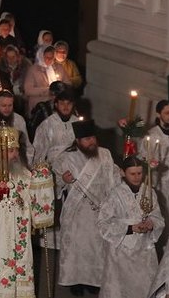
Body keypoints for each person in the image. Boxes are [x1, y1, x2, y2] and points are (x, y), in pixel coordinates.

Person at [0, 126, 54, 297]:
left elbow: (36, 194)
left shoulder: (23, 172)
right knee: (1, 266)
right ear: (1, 152)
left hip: (21, 231)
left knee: (22, 265)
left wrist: (43, 177)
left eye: (16, 150)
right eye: (11, 151)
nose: (15, 155)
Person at [52, 120, 121, 295]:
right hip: (77, 213)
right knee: (78, 250)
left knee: (97, 250)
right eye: (86, 139)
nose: (91, 142)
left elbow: (114, 177)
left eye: (93, 137)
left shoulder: (105, 154)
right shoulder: (65, 158)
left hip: (100, 211)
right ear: (77, 141)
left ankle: (95, 282)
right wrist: (63, 180)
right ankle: (76, 281)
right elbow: (54, 181)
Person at [97, 157, 164, 298]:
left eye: (139, 173)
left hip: (144, 250)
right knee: (120, 288)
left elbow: (158, 217)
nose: (136, 177)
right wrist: (130, 228)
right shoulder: (114, 194)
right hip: (121, 251)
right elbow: (103, 223)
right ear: (122, 172)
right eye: (132, 174)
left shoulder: (149, 192)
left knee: (144, 286)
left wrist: (151, 224)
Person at [144, 100, 169, 222]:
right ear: (158, 114)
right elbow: (144, 157)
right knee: (164, 214)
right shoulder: (151, 135)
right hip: (160, 182)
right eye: (167, 113)